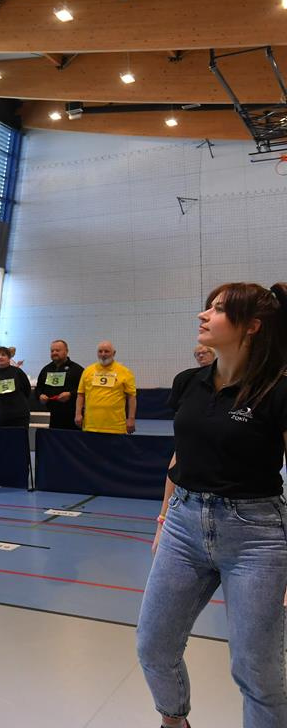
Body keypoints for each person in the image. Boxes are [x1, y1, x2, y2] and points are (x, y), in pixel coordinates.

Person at [137, 282, 287, 728]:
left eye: (218, 309)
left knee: (257, 670)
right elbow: (180, 457)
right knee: (154, 646)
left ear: (252, 326)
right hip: (183, 525)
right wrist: (163, 518)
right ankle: (174, 721)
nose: (204, 315)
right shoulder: (189, 383)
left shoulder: (277, 391)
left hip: (257, 536)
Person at [76, 341, 137, 434]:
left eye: (106, 351)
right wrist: (78, 414)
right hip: (91, 426)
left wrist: (131, 419)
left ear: (114, 353)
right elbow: (81, 394)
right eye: (100, 351)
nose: (103, 354)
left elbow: (131, 397)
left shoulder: (125, 372)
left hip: (116, 427)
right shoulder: (88, 371)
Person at [34, 340, 84, 430]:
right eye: (52, 351)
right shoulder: (46, 369)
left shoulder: (77, 370)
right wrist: (40, 396)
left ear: (66, 351)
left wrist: (70, 394)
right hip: (54, 416)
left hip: (72, 416)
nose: (54, 353)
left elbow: (84, 390)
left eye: (57, 350)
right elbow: (39, 388)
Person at [0, 346, 31, 428]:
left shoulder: (17, 372)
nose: (0, 357)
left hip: (19, 415)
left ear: (9, 358)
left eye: (3, 355)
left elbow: (27, 389)